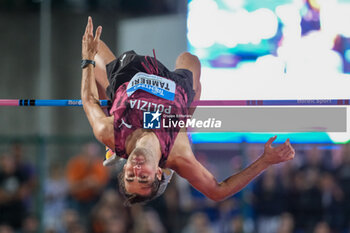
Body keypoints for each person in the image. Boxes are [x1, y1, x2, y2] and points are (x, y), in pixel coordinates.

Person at [81, 16, 295, 205]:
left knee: (94, 45)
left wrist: (87, 60)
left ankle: (112, 137)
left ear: (125, 169)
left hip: (131, 77)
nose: (136, 171)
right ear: (157, 173)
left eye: (130, 177)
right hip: (174, 89)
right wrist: (265, 161)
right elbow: (218, 192)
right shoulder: (179, 155)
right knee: (190, 59)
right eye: (143, 178)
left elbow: (89, 101)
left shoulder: (109, 132)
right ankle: (185, 115)